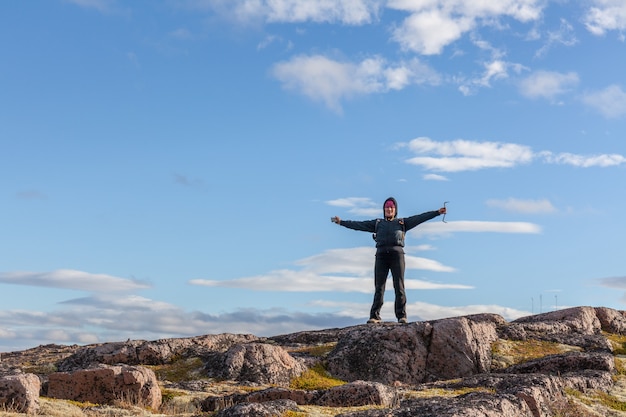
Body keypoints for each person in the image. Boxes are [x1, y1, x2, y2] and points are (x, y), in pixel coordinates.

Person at [331, 197, 446, 324]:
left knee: (399, 286)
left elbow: (420, 217)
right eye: (387, 207)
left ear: (395, 210)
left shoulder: (402, 223)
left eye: (391, 207)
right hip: (381, 256)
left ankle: (401, 316)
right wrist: (341, 222)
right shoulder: (378, 223)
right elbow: (359, 225)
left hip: (397, 255)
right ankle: (374, 316)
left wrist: (437, 212)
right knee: (379, 287)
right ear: (384, 209)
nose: (389, 209)